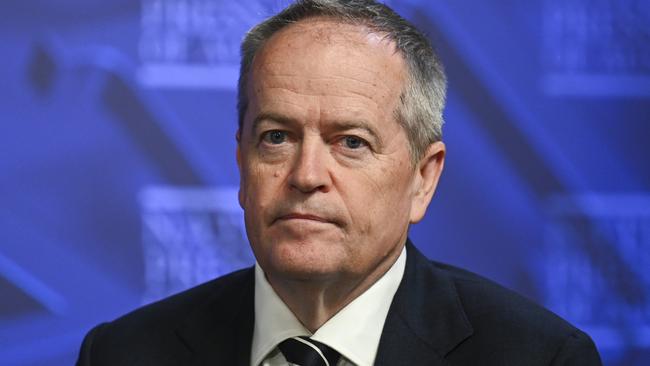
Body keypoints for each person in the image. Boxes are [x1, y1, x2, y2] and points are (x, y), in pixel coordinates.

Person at [76, 1, 602, 365]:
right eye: (277, 137)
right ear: (241, 165)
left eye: (350, 142)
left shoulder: (537, 357)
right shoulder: (124, 354)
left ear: (424, 177)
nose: (305, 176)